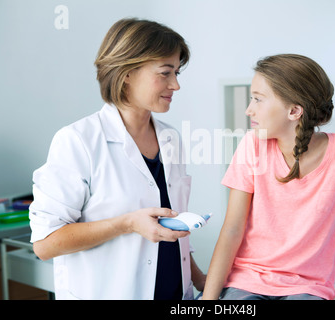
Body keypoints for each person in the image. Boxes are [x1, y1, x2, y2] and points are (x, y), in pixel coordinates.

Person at [202, 54, 335, 300]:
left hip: (307, 287)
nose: (249, 109)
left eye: (258, 100)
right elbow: (232, 229)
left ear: (293, 111)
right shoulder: (252, 146)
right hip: (248, 281)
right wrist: (208, 301)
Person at [29, 18, 205, 300]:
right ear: (127, 73)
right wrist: (126, 224)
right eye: (165, 73)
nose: (176, 85)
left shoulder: (171, 139)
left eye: (177, 73)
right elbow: (46, 244)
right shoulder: (78, 141)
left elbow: (171, 230)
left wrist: (202, 281)